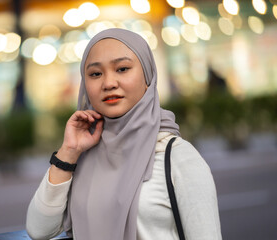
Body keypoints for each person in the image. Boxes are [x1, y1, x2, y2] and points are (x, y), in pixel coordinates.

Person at [26, 28, 221, 240]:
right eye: (95, 74)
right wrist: (68, 152)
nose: (109, 83)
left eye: (122, 69)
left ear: (148, 76)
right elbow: (39, 230)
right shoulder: (83, 156)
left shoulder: (178, 158)